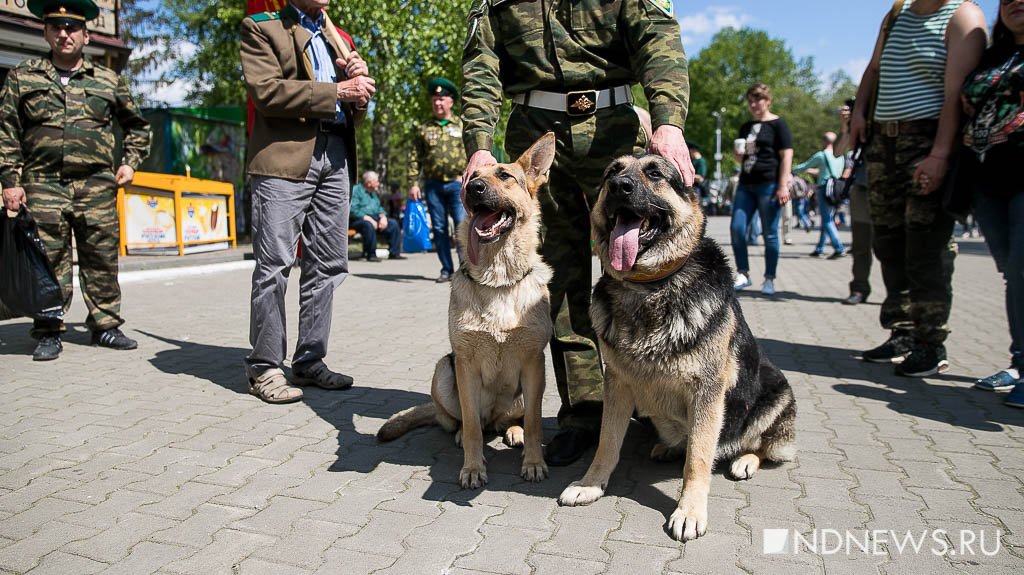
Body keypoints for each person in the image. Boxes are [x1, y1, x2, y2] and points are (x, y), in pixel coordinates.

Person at [461, 0, 694, 466]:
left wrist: (668, 121)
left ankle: (655, 403)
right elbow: (480, 66)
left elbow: (658, 40)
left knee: (643, 269)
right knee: (562, 282)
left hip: (613, 126)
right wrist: (480, 148)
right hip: (535, 132)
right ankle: (584, 413)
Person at [240, 0, 375, 403]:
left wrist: (361, 93)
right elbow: (266, 92)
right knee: (275, 265)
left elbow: (353, 108)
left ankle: (310, 360)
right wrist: (338, 89)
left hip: (335, 157)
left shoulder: (340, 38)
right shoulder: (262, 27)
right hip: (283, 159)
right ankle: (264, 367)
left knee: (328, 264)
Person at [0, 0, 150, 362]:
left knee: (100, 257)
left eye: (71, 28)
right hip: (42, 183)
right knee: (48, 258)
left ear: (85, 34)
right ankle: (49, 328)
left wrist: (129, 164)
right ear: (46, 32)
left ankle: (105, 326)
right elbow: (7, 131)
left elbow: (137, 127)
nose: (63, 34)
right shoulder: (23, 77)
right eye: (56, 27)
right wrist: (10, 181)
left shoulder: (108, 80)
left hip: (96, 185)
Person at [849, 0, 986, 377]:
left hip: (928, 141)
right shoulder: (898, 12)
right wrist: (860, 112)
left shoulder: (963, 17)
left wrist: (941, 154)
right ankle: (903, 331)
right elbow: (874, 69)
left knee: (926, 246)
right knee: (888, 242)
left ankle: (930, 341)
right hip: (884, 143)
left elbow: (957, 93)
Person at [960, 0, 1024, 405]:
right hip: (987, 178)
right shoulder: (992, 56)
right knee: (1012, 272)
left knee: (1021, 268)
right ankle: (1019, 362)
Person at [731, 82, 793, 296]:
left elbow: (787, 156)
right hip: (746, 183)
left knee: (770, 234)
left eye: (758, 99)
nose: (754, 104)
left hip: (769, 184)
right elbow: (743, 157)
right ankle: (743, 273)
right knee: (738, 228)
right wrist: (738, 157)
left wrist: (783, 185)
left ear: (767, 101)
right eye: (751, 100)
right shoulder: (746, 127)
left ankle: (769, 279)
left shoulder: (778, 125)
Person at [408, 78, 466, 283]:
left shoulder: (462, 124)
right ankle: (447, 269)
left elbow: (473, 152)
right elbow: (414, 156)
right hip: (433, 185)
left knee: (462, 226)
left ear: (451, 101)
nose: (438, 103)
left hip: (458, 184)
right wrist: (413, 183)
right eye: (435, 99)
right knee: (440, 229)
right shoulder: (424, 128)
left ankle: (466, 269)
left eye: (442, 99)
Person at [834, 103, 874, 306]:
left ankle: (901, 296)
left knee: (892, 247)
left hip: (891, 187)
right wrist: (845, 127)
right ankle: (859, 288)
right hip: (862, 187)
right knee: (860, 245)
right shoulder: (856, 128)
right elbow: (838, 151)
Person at [793, 132, 847, 259]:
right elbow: (827, 171)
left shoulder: (822, 155)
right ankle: (820, 248)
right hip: (836, 190)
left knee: (827, 220)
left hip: (824, 189)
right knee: (827, 218)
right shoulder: (840, 156)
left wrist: (790, 170)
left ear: (825, 142)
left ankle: (839, 247)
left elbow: (804, 166)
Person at [350, 170, 403, 262]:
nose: (378, 184)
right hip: (358, 220)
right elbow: (353, 209)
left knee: (393, 223)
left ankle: (394, 253)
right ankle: (370, 254)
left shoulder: (373, 194)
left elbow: (379, 208)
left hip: (374, 218)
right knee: (368, 225)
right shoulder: (356, 191)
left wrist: (383, 217)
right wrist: (368, 219)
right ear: (369, 183)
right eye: (377, 181)